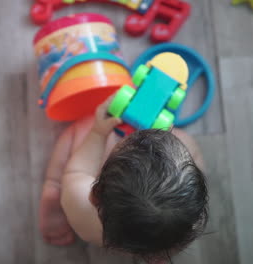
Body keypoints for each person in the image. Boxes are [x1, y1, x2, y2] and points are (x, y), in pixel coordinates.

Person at [39, 97, 209, 263]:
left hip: (96, 229)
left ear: (95, 194)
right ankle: (157, 255)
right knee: (185, 142)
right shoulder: (187, 226)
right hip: (159, 245)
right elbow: (197, 171)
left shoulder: (82, 210)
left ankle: (52, 189)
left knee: (82, 127)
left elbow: (77, 170)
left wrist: (98, 133)